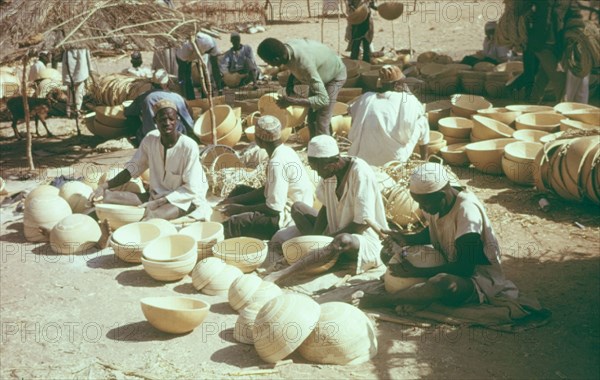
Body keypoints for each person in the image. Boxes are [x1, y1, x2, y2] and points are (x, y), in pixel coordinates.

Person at [354, 162, 520, 312]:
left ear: (442, 195)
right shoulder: (436, 203)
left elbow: (465, 268)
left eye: (424, 203)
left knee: (443, 283)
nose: (421, 208)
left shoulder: (467, 211)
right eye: (418, 203)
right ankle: (416, 295)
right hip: (449, 262)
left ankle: (385, 300)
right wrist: (407, 239)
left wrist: (417, 271)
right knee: (388, 253)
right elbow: (436, 229)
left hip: (477, 279)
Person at [264, 135, 387, 284]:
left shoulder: (360, 173)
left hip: (362, 239)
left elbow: (363, 223)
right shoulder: (329, 172)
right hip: (334, 232)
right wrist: (316, 239)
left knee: (342, 240)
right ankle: (321, 254)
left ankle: (283, 274)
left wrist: (327, 242)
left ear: (333, 161)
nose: (318, 173)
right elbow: (325, 206)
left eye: (319, 168)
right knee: (297, 208)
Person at [91, 99, 211, 222]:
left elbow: (192, 188)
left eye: (171, 119)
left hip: (183, 200)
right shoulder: (150, 140)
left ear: (178, 120)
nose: (167, 123)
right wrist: (104, 186)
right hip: (155, 196)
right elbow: (132, 169)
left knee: (150, 217)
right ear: (155, 121)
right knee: (106, 197)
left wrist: (160, 202)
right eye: (162, 119)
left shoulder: (188, 146)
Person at [218, 115, 315, 240]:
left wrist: (240, 209)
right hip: (288, 204)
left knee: (234, 223)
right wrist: (235, 200)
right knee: (240, 190)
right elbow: (267, 190)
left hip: (288, 217)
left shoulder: (277, 162)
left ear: (259, 140)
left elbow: (274, 209)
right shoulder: (286, 151)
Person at [257, 38, 347, 138]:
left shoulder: (305, 66)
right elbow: (293, 64)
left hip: (334, 76)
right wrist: (291, 80)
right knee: (312, 120)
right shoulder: (287, 49)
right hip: (320, 72)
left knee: (322, 120)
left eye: (268, 62)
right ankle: (314, 146)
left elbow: (323, 100)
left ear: (276, 60)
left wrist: (292, 101)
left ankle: (326, 151)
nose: (268, 65)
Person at [347, 65, 430, 166]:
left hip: (361, 156)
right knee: (422, 119)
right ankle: (424, 161)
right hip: (393, 159)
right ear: (397, 85)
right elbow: (417, 114)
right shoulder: (407, 99)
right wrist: (408, 93)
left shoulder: (367, 97)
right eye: (402, 82)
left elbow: (350, 110)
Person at [124, 69, 195, 145]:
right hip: (175, 135)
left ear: (152, 84)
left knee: (132, 119)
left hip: (150, 137)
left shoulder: (144, 97)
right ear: (167, 84)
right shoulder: (177, 97)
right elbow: (188, 121)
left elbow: (128, 112)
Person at [176, 32, 223, 100]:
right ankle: (189, 99)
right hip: (187, 55)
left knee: (205, 75)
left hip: (201, 52)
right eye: (208, 52)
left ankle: (207, 98)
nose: (209, 53)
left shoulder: (211, 45)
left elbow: (215, 67)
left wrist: (219, 88)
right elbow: (182, 73)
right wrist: (182, 85)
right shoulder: (184, 49)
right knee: (186, 78)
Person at [62, 48, 92, 118]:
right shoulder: (83, 48)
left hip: (71, 74)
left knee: (71, 93)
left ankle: (70, 112)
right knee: (78, 93)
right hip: (79, 74)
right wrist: (90, 71)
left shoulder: (67, 50)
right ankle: (76, 111)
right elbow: (87, 61)